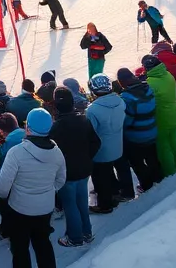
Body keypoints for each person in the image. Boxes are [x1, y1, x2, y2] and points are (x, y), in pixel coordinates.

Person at [0, 108, 66, 268]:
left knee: (20, 248)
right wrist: (46, 191)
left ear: (28, 128)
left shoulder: (16, 153)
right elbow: (61, 180)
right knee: (43, 244)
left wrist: (7, 198)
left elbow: (2, 186)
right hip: (45, 209)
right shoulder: (57, 152)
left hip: (19, 209)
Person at [49, 87, 100, 247]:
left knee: (70, 205)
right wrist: (86, 157)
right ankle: (87, 231)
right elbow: (96, 143)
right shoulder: (83, 120)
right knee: (81, 202)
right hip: (83, 170)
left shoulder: (56, 127)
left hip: (67, 173)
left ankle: (75, 237)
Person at [85, 74, 124, 213]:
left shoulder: (92, 110)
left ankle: (105, 204)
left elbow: (91, 132)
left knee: (99, 176)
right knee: (109, 170)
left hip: (101, 151)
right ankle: (115, 189)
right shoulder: (120, 101)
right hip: (117, 146)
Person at [141, 56, 176, 178]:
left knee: (164, 146)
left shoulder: (150, 83)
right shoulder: (168, 75)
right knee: (174, 142)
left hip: (161, 118)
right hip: (174, 113)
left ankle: (171, 172)